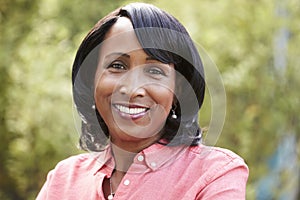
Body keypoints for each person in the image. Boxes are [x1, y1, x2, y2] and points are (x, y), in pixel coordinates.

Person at [37, 2, 248, 200]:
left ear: (178, 90)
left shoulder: (215, 174)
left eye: (154, 71)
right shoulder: (62, 181)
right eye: (117, 66)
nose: (132, 89)